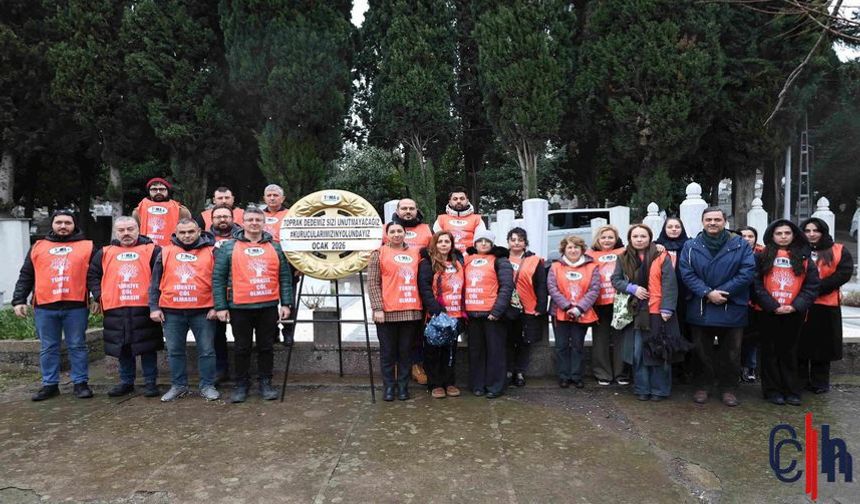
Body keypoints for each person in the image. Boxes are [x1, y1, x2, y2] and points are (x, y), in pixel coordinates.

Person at [213, 206, 293, 403]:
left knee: (266, 347)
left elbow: (284, 277)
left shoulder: (276, 247)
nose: (254, 223)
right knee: (241, 348)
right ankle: (241, 385)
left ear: (263, 223)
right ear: (244, 222)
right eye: (250, 220)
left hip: (268, 306)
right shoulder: (228, 247)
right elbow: (218, 278)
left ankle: (265, 383)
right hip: (239, 307)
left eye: (258, 220)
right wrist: (221, 306)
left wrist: (286, 303)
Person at [12, 210, 94, 401]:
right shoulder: (38, 247)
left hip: (76, 305)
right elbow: (26, 275)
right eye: (59, 222)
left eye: (67, 222)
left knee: (77, 345)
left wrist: (97, 297)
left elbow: (95, 275)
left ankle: (80, 383)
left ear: (74, 225)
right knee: (48, 347)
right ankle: (49, 385)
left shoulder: (87, 246)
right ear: (53, 224)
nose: (63, 226)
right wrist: (18, 300)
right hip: (45, 306)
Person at [679, 207, 756, 407]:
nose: (713, 223)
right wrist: (707, 292)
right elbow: (686, 273)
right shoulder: (691, 245)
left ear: (725, 222)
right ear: (702, 222)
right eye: (708, 219)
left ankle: (728, 388)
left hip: (731, 304)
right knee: (701, 350)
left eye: (717, 219)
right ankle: (702, 386)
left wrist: (722, 292)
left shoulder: (740, 245)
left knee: (731, 352)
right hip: (701, 305)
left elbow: (747, 271)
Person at [88, 216, 163, 397]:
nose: (126, 233)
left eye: (130, 229)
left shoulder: (152, 250)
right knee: (122, 347)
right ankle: (126, 382)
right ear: (115, 232)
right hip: (115, 307)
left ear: (138, 229)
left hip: (144, 307)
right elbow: (92, 275)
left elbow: (162, 275)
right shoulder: (104, 252)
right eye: (121, 230)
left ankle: (150, 383)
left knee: (147, 347)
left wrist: (157, 301)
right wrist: (99, 296)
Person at [149, 219, 220, 402]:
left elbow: (220, 281)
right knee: (174, 351)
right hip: (172, 311)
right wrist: (154, 307)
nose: (187, 236)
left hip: (203, 311)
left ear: (199, 231)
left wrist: (217, 306)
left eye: (190, 231)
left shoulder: (213, 251)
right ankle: (179, 386)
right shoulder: (165, 252)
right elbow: (155, 282)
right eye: (182, 232)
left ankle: (207, 385)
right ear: (176, 233)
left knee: (206, 351)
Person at [611, 224, 685, 401]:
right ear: (630, 239)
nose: (639, 239)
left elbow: (670, 283)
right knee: (639, 353)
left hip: (659, 311)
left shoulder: (661, 255)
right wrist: (632, 288)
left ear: (650, 238)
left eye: (643, 236)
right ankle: (642, 388)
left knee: (660, 351)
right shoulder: (623, 258)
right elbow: (616, 280)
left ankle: (660, 390)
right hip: (637, 312)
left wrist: (667, 307)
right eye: (635, 236)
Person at [753, 219, 820, 406]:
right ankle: (772, 391)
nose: (783, 237)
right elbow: (755, 283)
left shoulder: (804, 258)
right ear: (772, 236)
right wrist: (772, 305)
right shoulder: (762, 256)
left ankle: (791, 390)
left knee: (790, 352)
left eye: (787, 233)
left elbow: (812, 286)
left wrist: (795, 305)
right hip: (768, 312)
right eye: (779, 233)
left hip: (794, 313)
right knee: (770, 352)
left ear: (794, 235)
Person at [368, 222, 423, 401]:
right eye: (393, 231)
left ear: (405, 233)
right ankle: (389, 387)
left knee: (406, 352)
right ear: (387, 234)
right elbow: (373, 283)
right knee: (388, 352)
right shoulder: (378, 254)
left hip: (410, 310)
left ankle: (403, 386)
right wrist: (377, 308)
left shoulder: (415, 254)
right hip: (387, 311)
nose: (397, 234)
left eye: (400, 231)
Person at [798, 217, 854, 394]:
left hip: (826, 305)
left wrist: (815, 288)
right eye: (807, 231)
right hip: (801, 305)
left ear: (823, 232)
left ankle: (820, 382)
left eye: (815, 230)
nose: (811, 234)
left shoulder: (838, 250)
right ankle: (800, 381)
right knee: (800, 345)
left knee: (823, 347)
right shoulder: (797, 250)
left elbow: (843, 273)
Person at [464, 230, 514, 398]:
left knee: (495, 352)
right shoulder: (467, 260)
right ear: (475, 243)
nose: (483, 244)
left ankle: (495, 386)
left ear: (492, 244)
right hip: (472, 314)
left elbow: (507, 287)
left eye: (487, 241)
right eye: (480, 241)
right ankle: (477, 385)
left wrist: (497, 311)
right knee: (475, 352)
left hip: (492, 315)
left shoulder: (500, 261)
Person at [389, 198, 433, 386]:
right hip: (394, 289)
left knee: (417, 330)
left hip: (419, 288)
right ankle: (397, 365)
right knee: (394, 331)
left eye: (411, 208)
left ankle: (416, 364)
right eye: (404, 208)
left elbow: (434, 254)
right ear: (397, 211)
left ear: (417, 210)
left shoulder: (426, 230)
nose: (408, 211)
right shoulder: (390, 229)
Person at [548, 235, 600, 389]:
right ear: (564, 249)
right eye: (569, 247)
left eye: (576, 247)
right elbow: (552, 287)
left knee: (578, 346)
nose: (573, 250)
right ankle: (563, 376)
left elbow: (594, 289)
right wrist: (566, 306)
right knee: (561, 346)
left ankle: (576, 376)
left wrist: (579, 308)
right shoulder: (555, 266)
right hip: (560, 312)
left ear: (582, 249)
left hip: (581, 313)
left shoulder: (592, 267)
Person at [418, 231, 465, 399]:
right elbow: (424, 289)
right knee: (433, 350)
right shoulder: (427, 263)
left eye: (447, 241)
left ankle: (449, 382)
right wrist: (436, 310)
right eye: (440, 241)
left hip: (456, 313)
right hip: (437, 315)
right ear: (434, 244)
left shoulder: (458, 262)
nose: (444, 244)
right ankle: (435, 384)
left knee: (450, 351)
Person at [505, 227, 547, 387]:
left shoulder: (535, 260)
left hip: (528, 307)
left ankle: (520, 372)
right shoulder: (501, 258)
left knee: (525, 342)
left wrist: (541, 306)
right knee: (508, 341)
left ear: (525, 242)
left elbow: (541, 285)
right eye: (513, 239)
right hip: (507, 308)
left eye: (520, 240)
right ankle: (508, 371)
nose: (516, 243)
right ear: (508, 242)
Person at [586, 225, 627, 386]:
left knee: (621, 339)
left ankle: (621, 373)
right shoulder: (590, 255)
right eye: (603, 237)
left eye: (610, 237)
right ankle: (602, 373)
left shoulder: (624, 252)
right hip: (599, 302)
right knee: (600, 339)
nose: (607, 240)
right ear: (598, 239)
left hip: (620, 302)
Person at [654, 217, 692, 384]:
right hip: (663, 296)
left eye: (677, 226)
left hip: (686, 295)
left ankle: (685, 369)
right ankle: (666, 368)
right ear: (664, 229)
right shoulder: (656, 246)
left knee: (684, 330)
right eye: (670, 226)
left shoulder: (690, 245)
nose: (674, 229)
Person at [209, 203, 240, 382]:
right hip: (214, 290)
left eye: (226, 216)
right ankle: (221, 369)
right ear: (212, 219)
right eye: (218, 217)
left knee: (241, 334)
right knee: (216, 334)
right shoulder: (204, 237)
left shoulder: (242, 236)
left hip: (239, 291)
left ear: (232, 218)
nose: (222, 219)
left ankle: (242, 371)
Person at [132, 177, 192, 247]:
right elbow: (134, 232)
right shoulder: (138, 210)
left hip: (172, 249)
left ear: (167, 191)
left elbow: (188, 231)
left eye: (162, 189)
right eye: (154, 189)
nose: (158, 192)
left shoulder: (181, 210)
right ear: (149, 191)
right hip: (146, 249)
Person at [738, 226, 763, 383]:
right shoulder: (733, 252)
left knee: (753, 338)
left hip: (757, 302)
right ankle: (739, 367)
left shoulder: (763, 254)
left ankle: (750, 366)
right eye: (743, 236)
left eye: (750, 236)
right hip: (739, 301)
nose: (747, 239)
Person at [433, 187, 486, 255]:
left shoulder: (477, 219)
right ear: (450, 201)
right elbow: (437, 243)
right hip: (447, 257)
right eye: (455, 199)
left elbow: (480, 242)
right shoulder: (441, 219)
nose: (458, 201)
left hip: (470, 257)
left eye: (462, 198)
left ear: (467, 200)